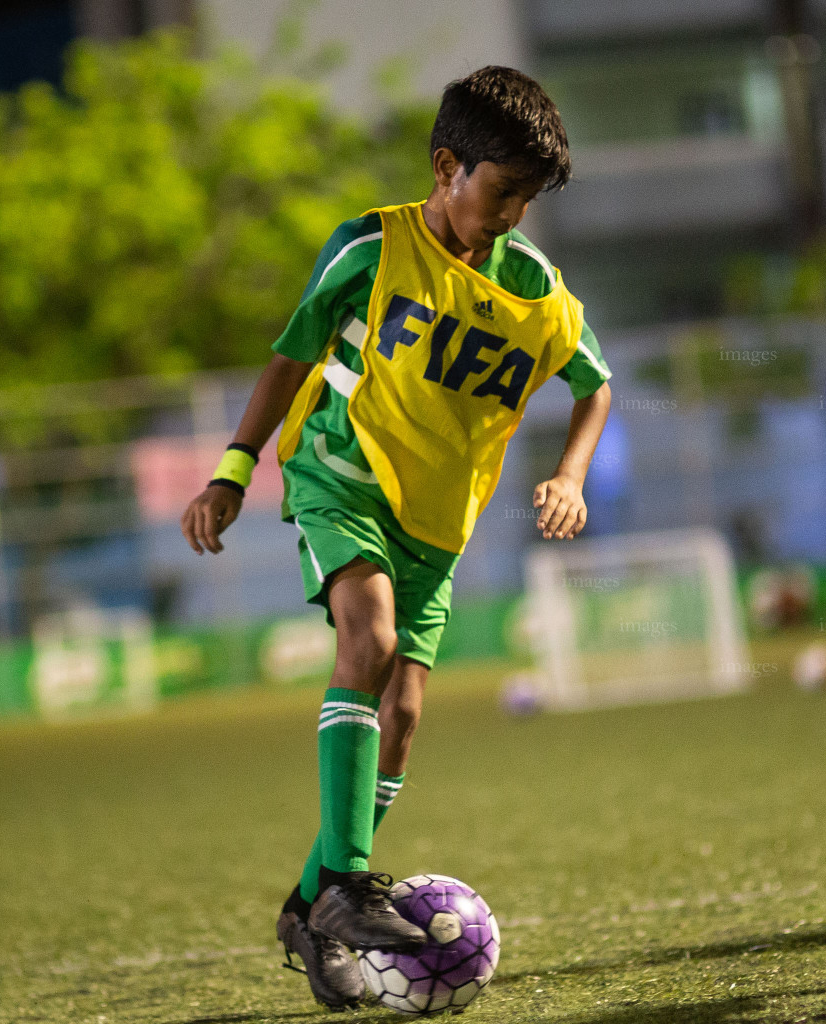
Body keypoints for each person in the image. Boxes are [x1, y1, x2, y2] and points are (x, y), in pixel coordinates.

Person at [180, 66, 612, 1008]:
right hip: (341, 473)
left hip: (437, 524)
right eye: (502, 193)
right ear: (447, 167)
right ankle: (343, 889)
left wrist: (570, 474)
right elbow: (291, 356)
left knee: (404, 720)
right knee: (366, 643)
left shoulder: (537, 292)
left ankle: (307, 903)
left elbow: (594, 382)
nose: (512, 217)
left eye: (528, 202)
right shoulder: (370, 249)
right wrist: (233, 468)